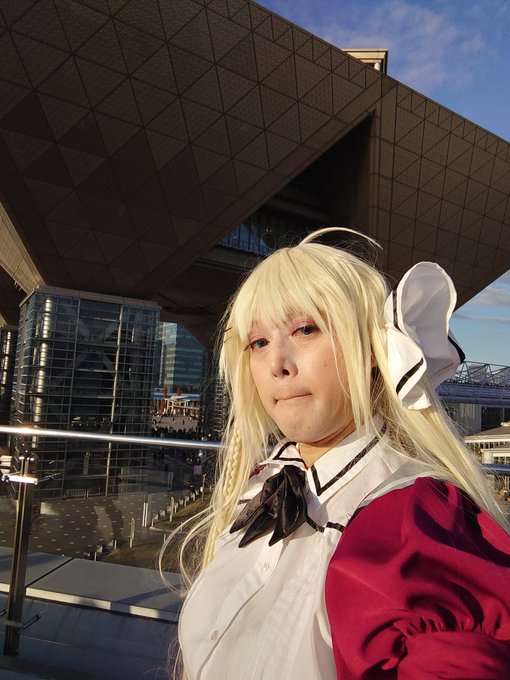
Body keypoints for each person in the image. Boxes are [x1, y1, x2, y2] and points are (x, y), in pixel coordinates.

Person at [171, 228, 510, 679]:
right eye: (259, 342)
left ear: (370, 349)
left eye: (306, 329)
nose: (277, 365)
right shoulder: (261, 485)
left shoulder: (412, 524)